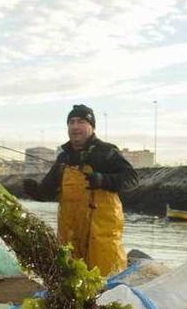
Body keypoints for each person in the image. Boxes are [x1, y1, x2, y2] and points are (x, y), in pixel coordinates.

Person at [24, 104, 138, 276]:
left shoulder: (106, 152)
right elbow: (47, 191)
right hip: (70, 236)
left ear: (92, 126)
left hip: (101, 235)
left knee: (106, 281)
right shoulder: (64, 158)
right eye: (71, 122)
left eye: (81, 121)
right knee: (71, 281)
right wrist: (34, 191)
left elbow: (132, 179)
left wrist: (103, 180)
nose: (75, 126)